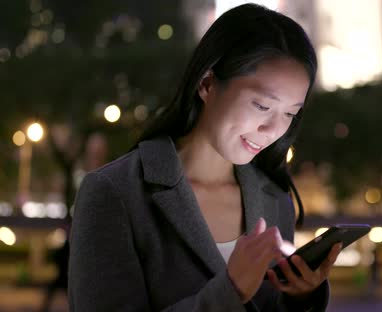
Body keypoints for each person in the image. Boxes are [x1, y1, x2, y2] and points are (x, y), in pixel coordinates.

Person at [68, 3, 341, 311]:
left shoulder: (275, 199)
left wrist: (300, 298)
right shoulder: (115, 192)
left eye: (291, 113)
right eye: (262, 106)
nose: (273, 129)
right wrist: (230, 291)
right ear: (207, 84)